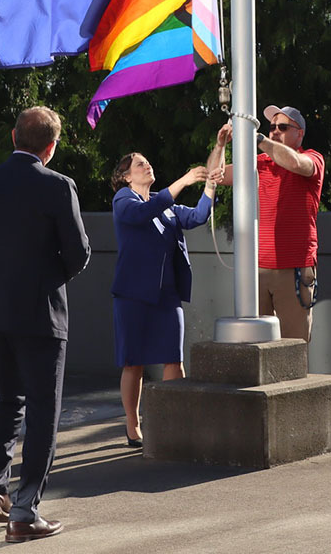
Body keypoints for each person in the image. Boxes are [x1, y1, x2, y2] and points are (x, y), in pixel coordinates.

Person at [0, 106, 90, 543]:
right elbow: (79, 253)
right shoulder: (58, 186)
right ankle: (25, 511)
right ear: (50, 148)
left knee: (7, 398)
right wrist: (45, 278)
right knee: (44, 410)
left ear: (14, 137)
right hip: (39, 314)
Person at [110, 148, 222, 446]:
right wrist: (184, 180)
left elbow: (198, 216)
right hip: (133, 295)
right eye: (139, 164)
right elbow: (142, 213)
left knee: (173, 359)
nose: (147, 166)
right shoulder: (124, 199)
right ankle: (133, 426)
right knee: (133, 362)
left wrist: (209, 185)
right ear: (125, 176)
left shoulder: (167, 205)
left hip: (166, 296)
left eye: (148, 161)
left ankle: (173, 422)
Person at [215, 105, 325, 342]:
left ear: (300, 134)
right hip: (257, 268)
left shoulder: (312, 158)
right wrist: (221, 144)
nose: (274, 131)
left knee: (293, 346)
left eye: (282, 127)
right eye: (272, 127)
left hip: (293, 265)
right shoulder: (260, 162)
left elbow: (297, 164)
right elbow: (217, 175)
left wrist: (256, 138)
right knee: (257, 347)